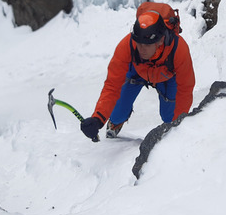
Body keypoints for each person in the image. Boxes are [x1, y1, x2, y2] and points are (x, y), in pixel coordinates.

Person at [80, 7, 195, 140]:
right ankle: (117, 122)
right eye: (139, 43)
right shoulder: (127, 45)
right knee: (118, 115)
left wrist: (177, 126)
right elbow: (112, 85)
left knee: (170, 119)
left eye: (147, 44)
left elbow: (185, 90)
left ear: (160, 41)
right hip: (137, 71)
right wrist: (98, 118)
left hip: (167, 76)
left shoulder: (179, 49)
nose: (141, 49)